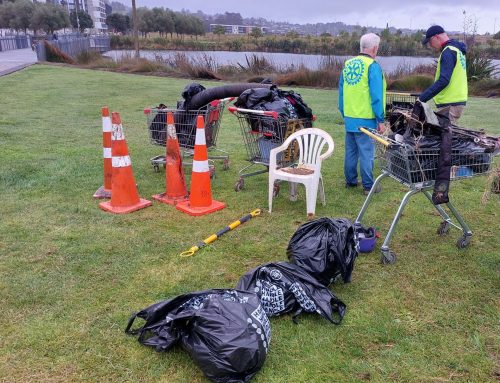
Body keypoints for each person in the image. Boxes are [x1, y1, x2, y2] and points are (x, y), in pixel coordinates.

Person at [338, 33, 386, 195]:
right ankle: (368, 185)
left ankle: (350, 181)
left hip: (350, 116)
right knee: (366, 152)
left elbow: (341, 94)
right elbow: (376, 95)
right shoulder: (372, 66)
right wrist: (381, 119)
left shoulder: (348, 64)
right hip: (366, 118)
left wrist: (345, 113)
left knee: (351, 151)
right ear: (375, 48)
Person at [419, 25, 468, 124]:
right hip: (456, 100)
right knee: (444, 132)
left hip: (451, 102)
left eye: (430, 41)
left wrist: (422, 98)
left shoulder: (448, 52)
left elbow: (444, 80)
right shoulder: (457, 50)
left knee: (443, 135)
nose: (430, 45)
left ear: (436, 37)